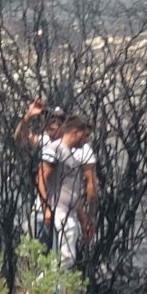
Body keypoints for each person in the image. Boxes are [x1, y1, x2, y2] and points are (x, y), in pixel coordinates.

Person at [36, 114, 97, 276]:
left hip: (70, 213)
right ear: (76, 133)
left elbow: (74, 193)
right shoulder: (55, 149)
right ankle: (37, 287)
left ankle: (55, 292)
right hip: (58, 211)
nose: (86, 141)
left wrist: (84, 220)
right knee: (65, 258)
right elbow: (41, 178)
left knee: (64, 260)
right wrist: (46, 208)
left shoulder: (72, 156)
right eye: (85, 136)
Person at [15, 100, 66, 248]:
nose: (53, 124)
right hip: (40, 210)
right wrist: (28, 116)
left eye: (58, 121)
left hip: (61, 211)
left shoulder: (69, 147)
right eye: (50, 120)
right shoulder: (45, 141)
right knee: (36, 254)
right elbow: (20, 138)